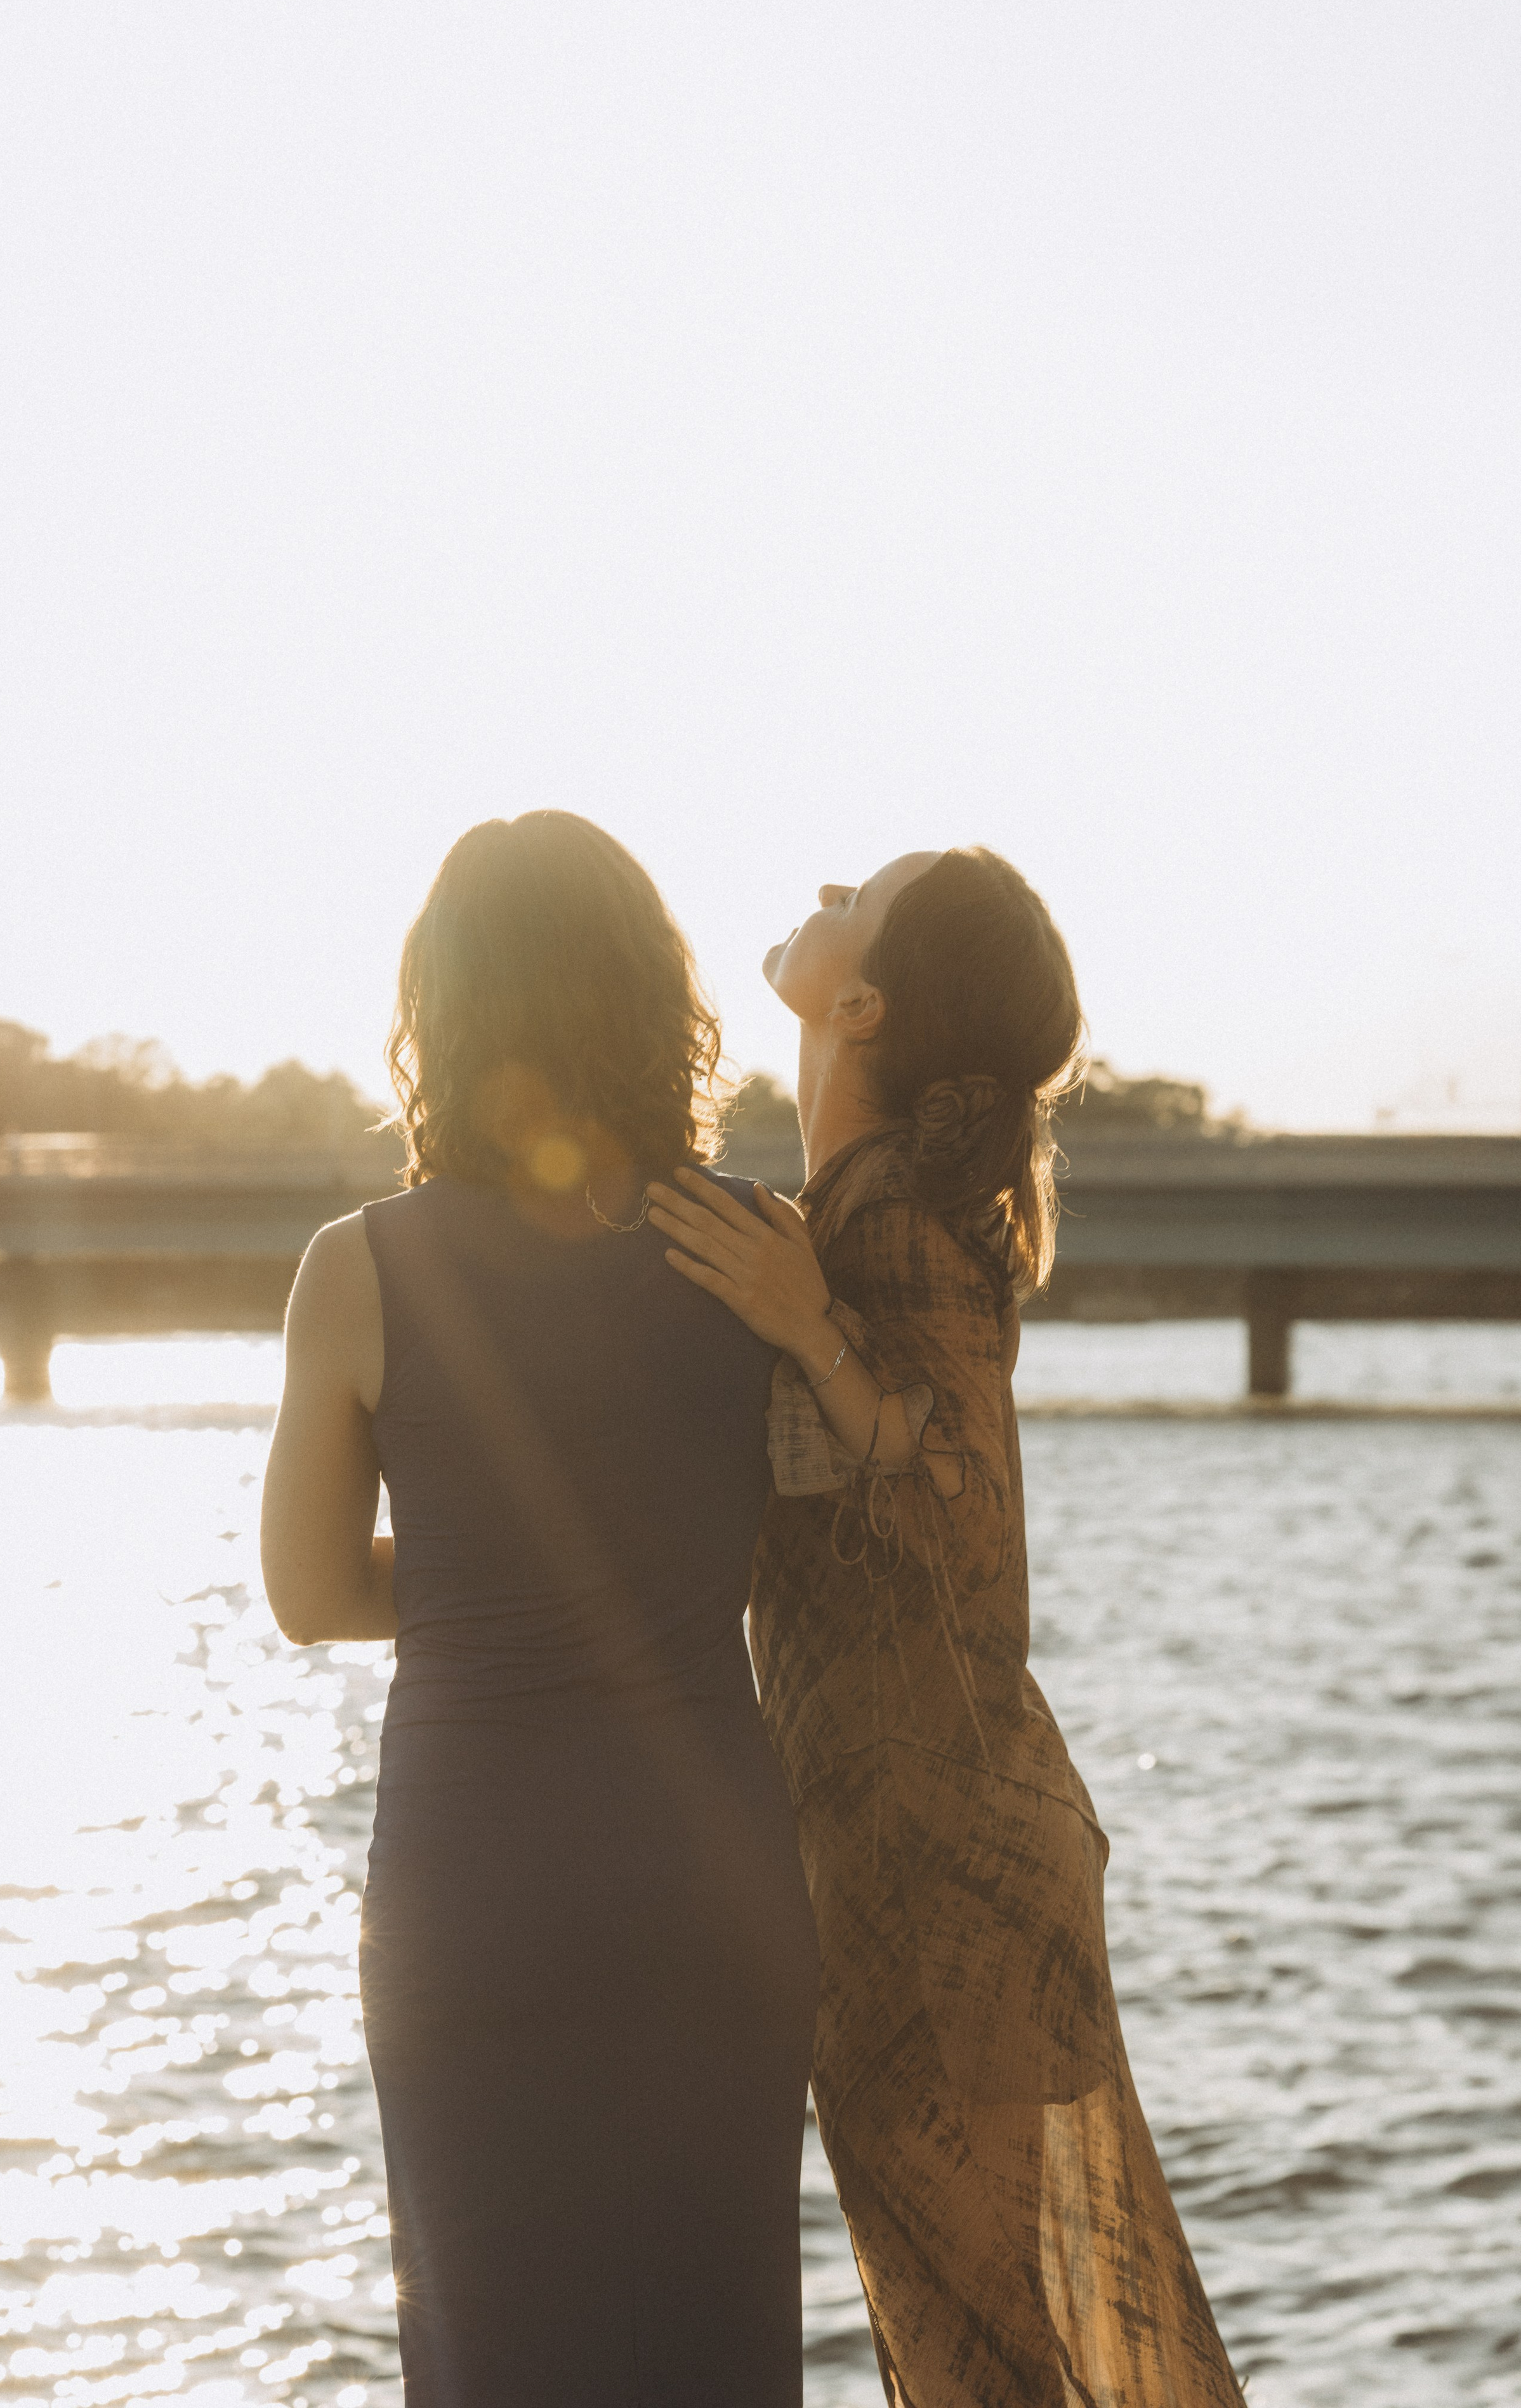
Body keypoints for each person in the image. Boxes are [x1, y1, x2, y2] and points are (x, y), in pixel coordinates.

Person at [646, 847, 1246, 2407]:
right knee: (970, 2348)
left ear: (860, 1001)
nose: (825, 879)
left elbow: (963, 1526)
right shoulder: (842, 1211)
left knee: (980, 2362)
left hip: (941, 1862)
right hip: (907, 1845)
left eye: (862, 887)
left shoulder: (884, 1223)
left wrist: (806, 1331)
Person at [260, 811, 820, 2407]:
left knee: (495, 2346)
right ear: (657, 996)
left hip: (475, 1887)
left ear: (439, 1012)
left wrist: (487, 1597)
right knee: (709, 2342)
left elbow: (306, 1594)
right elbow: (847, 1507)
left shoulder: (357, 1268)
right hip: (708, 1872)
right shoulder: (751, 1250)